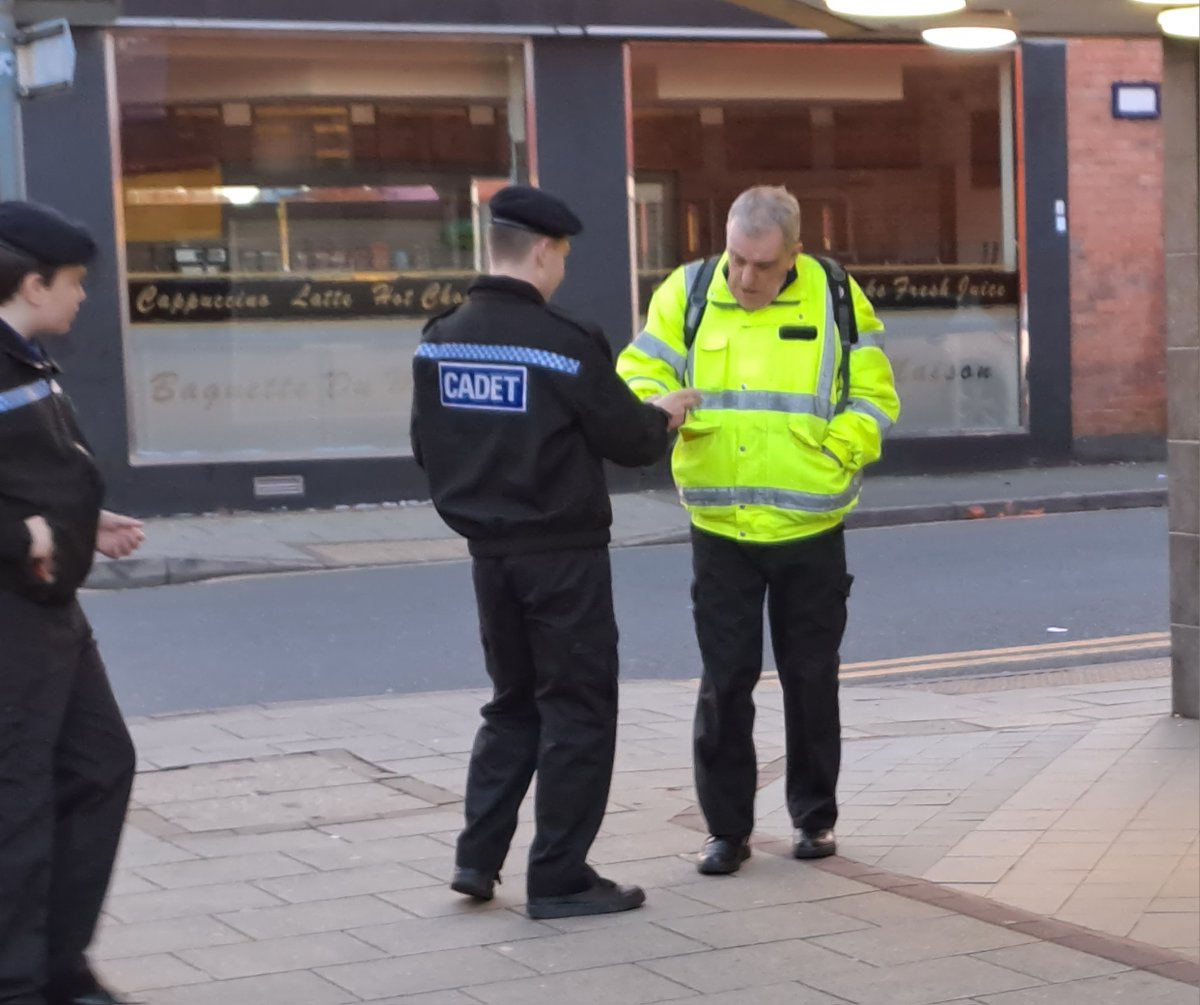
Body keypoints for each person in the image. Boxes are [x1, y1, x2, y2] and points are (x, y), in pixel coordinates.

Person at [410, 184, 700, 919]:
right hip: (562, 554)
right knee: (577, 708)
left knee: (512, 704)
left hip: (489, 556)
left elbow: (425, 445)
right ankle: (561, 875)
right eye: (562, 256)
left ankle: (477, 860)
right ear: (541, 251)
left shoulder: (439, 338)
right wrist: (662, 414)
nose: (563, 269)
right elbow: (628, 440)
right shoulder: (564, 343)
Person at [617, 185, 899, 875]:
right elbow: (637, 369)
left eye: (762, 266)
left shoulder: (835, 296)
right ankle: (726, 829)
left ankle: (814, 818)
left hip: (809, 526)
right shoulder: (685, 293)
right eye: (735, 259)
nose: (743, 277)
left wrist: (840, 447)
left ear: (794, 255)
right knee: (725, 681)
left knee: (811, 678)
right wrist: (658, 405)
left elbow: (874, 394)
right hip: (720, 527)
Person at [0, 201, 144, 1005]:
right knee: (16, 797)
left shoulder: (22, 355)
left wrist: (86, 520)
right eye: (76, 282)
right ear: (32, 282)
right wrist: (22, 537)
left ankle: (61, 959)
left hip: (54, 609)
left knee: (99, 765)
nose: (84, 296)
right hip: (10, 615)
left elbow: (32, 468)